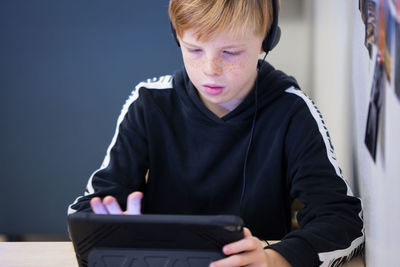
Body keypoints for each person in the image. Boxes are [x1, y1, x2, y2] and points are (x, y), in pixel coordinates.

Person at [68, 0, 364, 266]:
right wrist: (109, 228)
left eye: (230, 52)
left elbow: (342, 220)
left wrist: (273, 259)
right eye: (194, 49)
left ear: (266, 40)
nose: (210, 69)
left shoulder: (292, 111)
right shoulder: (149, 103)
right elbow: (87, 209)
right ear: (177, 37)